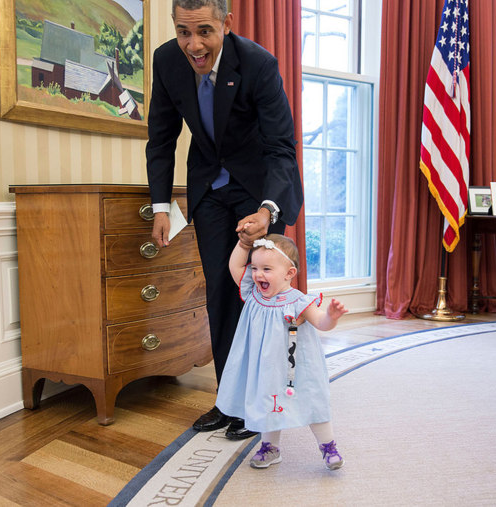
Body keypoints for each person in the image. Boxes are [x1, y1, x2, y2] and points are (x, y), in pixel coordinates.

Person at [146, 0, 304, 440]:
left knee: (261, 295)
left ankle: (262, 402)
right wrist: (161, 207)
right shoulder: (166, 61)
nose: (193, 45)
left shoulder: (257, 64)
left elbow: (281, 147)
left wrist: (268, 210)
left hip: (258, 189)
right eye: (183, 32)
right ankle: (229, 400)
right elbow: (160, 138)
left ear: (225, 24)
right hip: (209, 191)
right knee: (220, 291)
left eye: (204, 32)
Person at [215, 234, 347, 470]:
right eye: (255, 267)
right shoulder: (253, 294)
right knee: (268, 403)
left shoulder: (298, 301)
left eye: (266, 269)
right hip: (264, 367)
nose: (257, 274)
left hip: (295, 368)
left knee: (312, 401)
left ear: (289, 274)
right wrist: (243, 244)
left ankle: (328, 446)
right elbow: (235, 265)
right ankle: (271, 448)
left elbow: (320, 323)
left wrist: (331, 317)